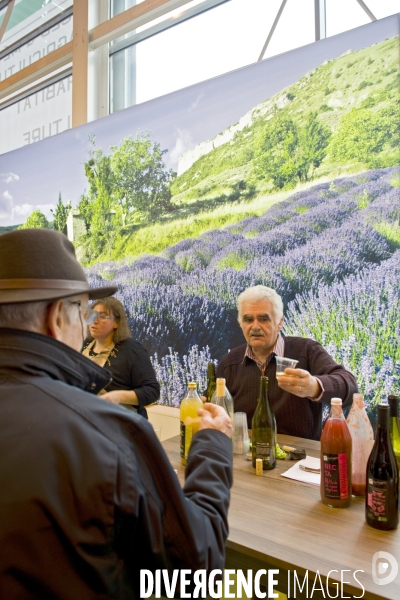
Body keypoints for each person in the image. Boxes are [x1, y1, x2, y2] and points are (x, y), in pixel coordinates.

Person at [0, 229, 233, 599]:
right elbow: (194, 566)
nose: (88, 324)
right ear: (57, 316)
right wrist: (213, 447)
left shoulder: (127, 361)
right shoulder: (108, 434)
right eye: (82, 310)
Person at [217, 285, 358, 440]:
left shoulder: (306, 350)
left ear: (279, 323)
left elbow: (350, 387)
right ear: (241, 324)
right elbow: (213, 404)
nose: (255, 326)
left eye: (263, 319)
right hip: (246, 457)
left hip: (300, 459)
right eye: (248, 319)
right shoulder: (230, 362)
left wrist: (314, 386)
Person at [82, 297, 159, 418]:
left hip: (122, 425)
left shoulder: (131, 350)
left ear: (117, 323)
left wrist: (117, 397)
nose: (94, 321)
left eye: (102, 316)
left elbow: (152, 391)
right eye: (93, 314)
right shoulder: (83, 345)